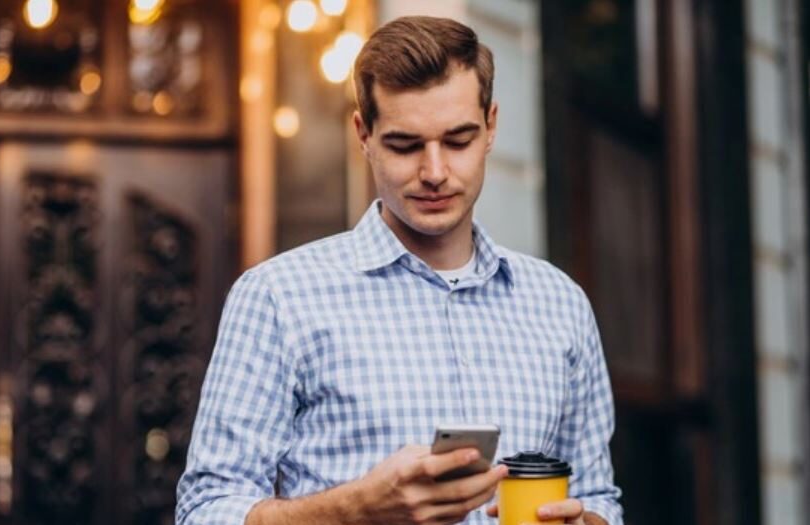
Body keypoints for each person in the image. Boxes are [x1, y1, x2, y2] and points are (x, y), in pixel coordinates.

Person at [176, 15, 622, 525]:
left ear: (491, 126)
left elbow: (598, 495)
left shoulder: (560, 303)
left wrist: (584, 521)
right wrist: (356, 509)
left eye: (458, 141)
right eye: (405, 145)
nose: (434, 172)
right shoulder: (278, 297)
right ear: (363, 134)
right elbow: (204, 512)